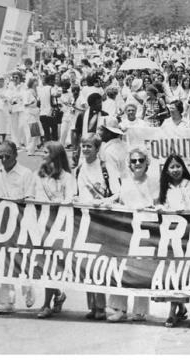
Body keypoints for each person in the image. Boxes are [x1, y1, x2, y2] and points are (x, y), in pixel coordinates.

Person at [106, 146, 156, 322]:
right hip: (126, 230)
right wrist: (102, 202)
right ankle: (119, 308)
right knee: (122, 268)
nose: (137, 164)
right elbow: (117, 198)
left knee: (141, 270)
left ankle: (140, 311)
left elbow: (158, 204)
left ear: (146, 162)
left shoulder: (153, 181)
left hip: (147, 229)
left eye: (141, 160)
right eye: (133, 161)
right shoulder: (125, 181)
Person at [0, 140, 36, 315]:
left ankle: (28, 290)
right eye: (1, 156)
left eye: (7, 155)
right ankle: (6, 301)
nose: (4, 159)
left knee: (22, 261)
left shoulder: (25, 173)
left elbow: (30, 198)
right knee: (3, 263)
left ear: (15, 155)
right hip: (1, 225)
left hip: (20, 223)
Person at [154, 153, 190, 327]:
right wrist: (159, 208)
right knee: (171, 273)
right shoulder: (164, 187)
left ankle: (171, 313)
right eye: (172, 167)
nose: (175, 170)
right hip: (169, 235)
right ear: (167, 170)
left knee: (181, 272)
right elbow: (158, 205)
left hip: (187, 234)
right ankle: (180, 307)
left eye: (178, 166)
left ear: (183, 167)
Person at [75, 133, 121, 320]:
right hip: (85, 218)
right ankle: (92, 305)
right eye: (83, 146)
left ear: (97, 148)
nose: (85, 149)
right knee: (86, 262)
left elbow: (117, 192)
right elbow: (77, 192)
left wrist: (102, 203)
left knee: (99, 263)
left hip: (102, 219)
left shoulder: (105, 166)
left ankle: (101, 305)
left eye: (89, 146)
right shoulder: (80, 168)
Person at [31, 141, 77, 318]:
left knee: (51, 265)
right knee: (42, 265)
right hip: (40, 224)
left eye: (45, 151)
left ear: (55, 155)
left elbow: (69, 199)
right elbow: (31, 194)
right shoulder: (39, 175)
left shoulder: (66, 177)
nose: (42, 154)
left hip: (57, 226)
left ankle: (46, 304)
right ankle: (58, 294)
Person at [24, 77, 42, 155]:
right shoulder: (28, 92)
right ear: (31, 82)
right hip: (30, 114)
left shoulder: (37, 91)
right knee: (32, 133)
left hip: (36, 113)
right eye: (35, 81)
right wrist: (31, 103)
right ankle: (30, 149)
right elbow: (25, 104)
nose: (36, 82)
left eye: (36, 81)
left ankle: (33, 148)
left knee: (37, 133)